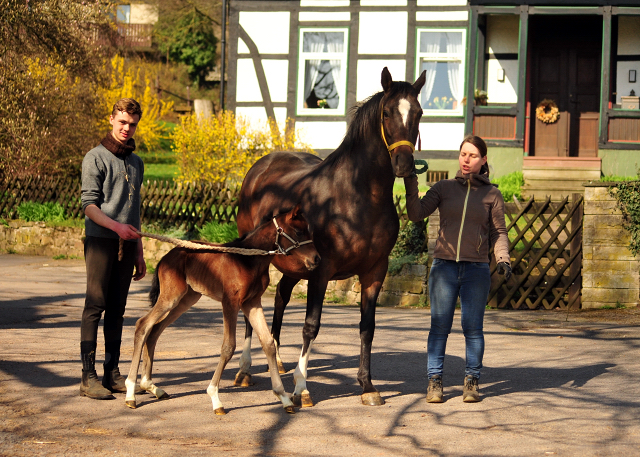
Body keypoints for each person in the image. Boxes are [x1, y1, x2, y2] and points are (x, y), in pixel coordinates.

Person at [404, 135, 511, 403]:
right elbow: (416, 213)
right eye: (464, 154)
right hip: (444, 268)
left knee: (473, 328)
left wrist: (503, 258)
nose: (467, 159)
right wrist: (410, 179)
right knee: (439, 327)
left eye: (473, 155)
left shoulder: (492, 194)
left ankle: (472, 382)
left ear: (483, 160)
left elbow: (499, 232)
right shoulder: (443, 188)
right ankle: (434, 382)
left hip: (476, 269)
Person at [79, 98, 146, 399]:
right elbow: (88, 206)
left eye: (132, 124)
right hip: (101, 242)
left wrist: (140, 250)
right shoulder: (95, 157)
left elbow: (135, 210)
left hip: (128, 245)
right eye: (122, 122)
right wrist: (117, 227)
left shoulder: (136, 162)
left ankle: (112, 373)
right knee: (96, 305)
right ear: (111, 119)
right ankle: (87, 376)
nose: (126, 128)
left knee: (117, 310)